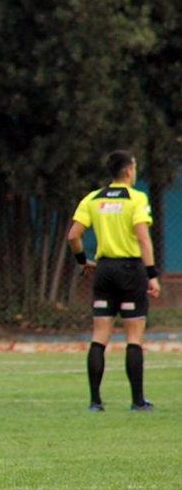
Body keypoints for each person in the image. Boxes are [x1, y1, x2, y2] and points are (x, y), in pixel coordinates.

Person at [67, 150, 160, 412]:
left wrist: (83, 261)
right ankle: (137, 401)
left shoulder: (93, 198)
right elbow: (143, 238)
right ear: (129, 170)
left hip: (104, 270)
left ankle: (95, 402)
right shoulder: (136, 198)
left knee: (99, 336)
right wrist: (152, 275)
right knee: (133, 337)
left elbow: (73, 235)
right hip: (130, 270)